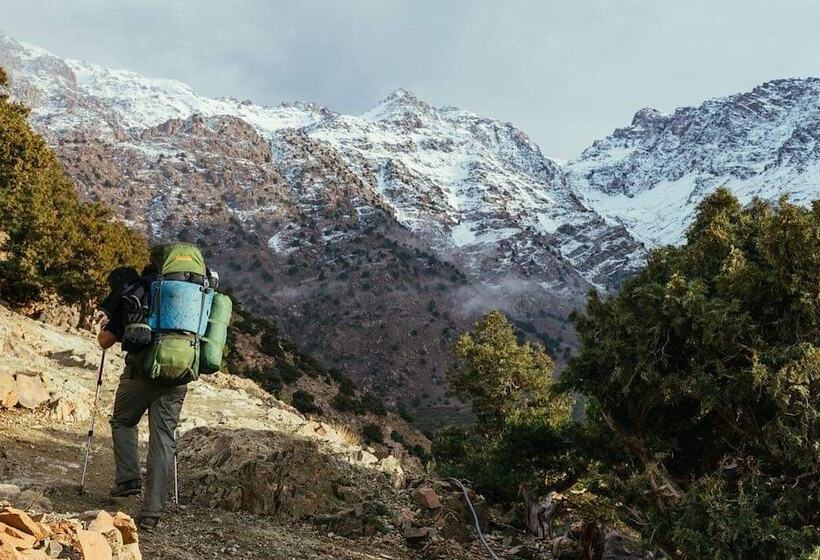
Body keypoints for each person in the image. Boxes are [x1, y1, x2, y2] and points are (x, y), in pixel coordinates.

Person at [97, 264, 187, 532]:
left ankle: (128, 479)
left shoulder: (132, 295)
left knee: (123, 421)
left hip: (141, 374)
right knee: (163, 440)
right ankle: (151, 513)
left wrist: (107, 325)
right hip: (179, 374)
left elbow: (104, 341)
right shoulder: (180, 299)